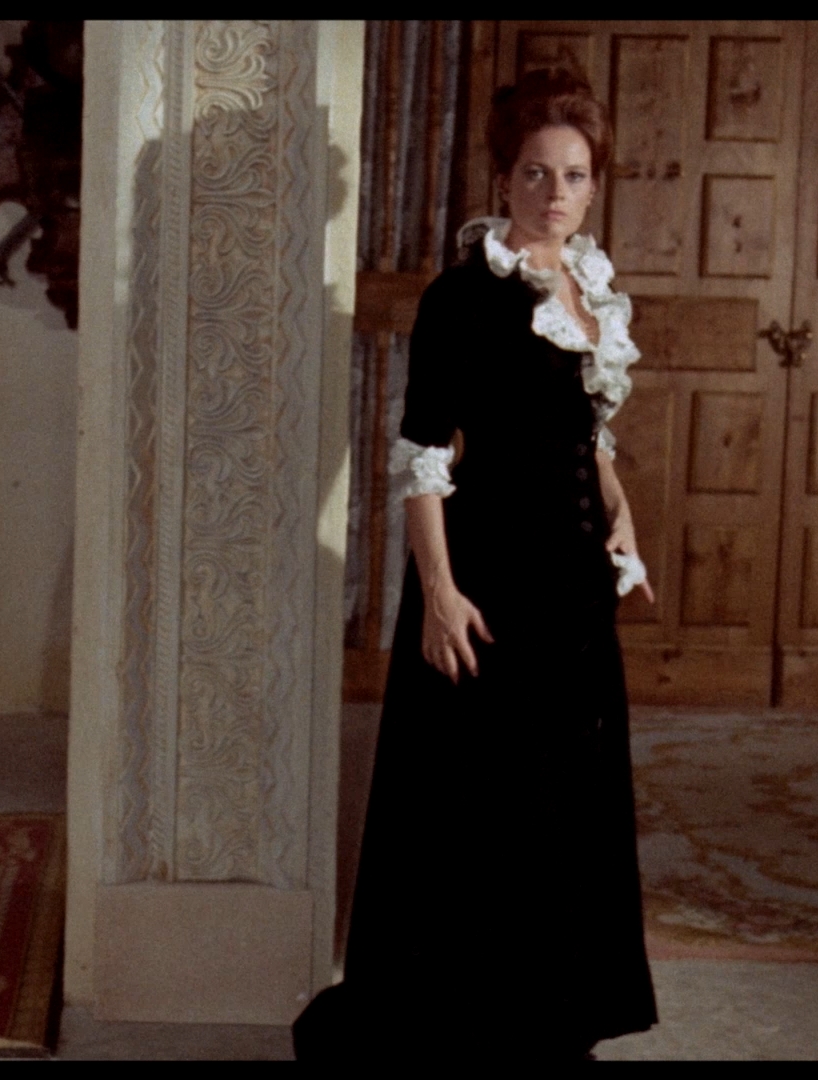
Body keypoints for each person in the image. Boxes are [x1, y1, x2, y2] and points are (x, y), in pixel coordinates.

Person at [296, 68, 659, 1061]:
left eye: (573, 175)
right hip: (490, 581)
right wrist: (440, 595)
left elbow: (587, 439)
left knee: (569, 808)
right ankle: (466, 1031)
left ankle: (553, 1023)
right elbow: (421, 453)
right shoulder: (463, 295)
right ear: (503, 179)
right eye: (535, 173)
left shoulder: (591, 287)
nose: (554, 192)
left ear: (594, 185)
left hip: (575, 588)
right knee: (486, 811)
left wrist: (623, 523)